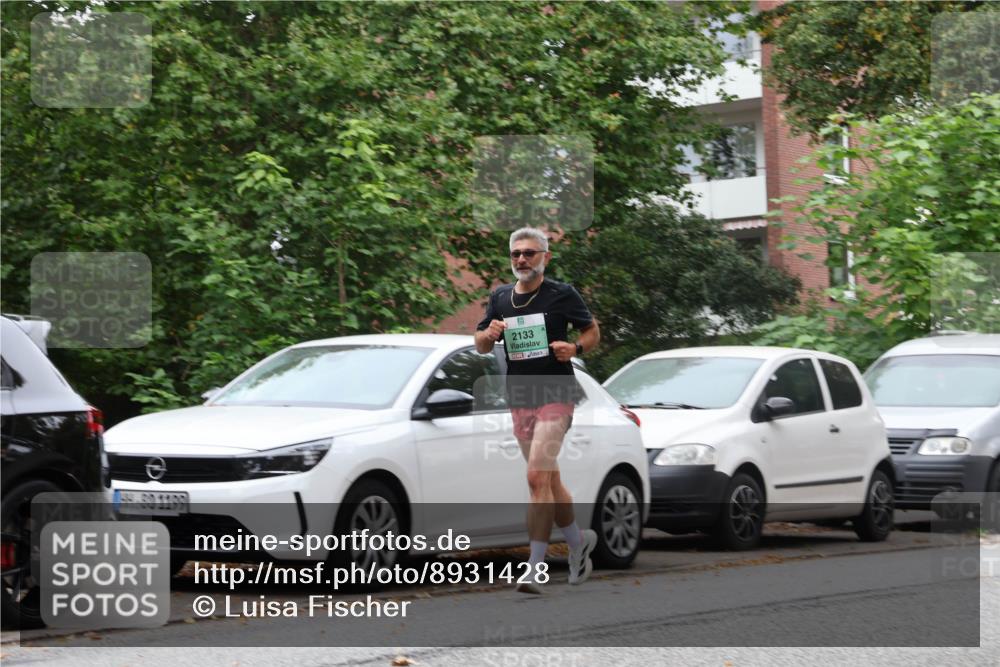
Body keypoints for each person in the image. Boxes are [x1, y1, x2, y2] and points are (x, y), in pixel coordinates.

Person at [474, 226, 601, 594]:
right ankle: (578, 543)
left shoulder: (561, 294)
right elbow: (480, 344)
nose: (521, 259)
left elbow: (592, 331)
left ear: (545, 257)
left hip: (556, 391)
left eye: (529, 253)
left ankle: (534, 568)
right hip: (520, 395)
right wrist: (488, 334)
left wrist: (575, 349)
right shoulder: (500, 298)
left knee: (535, 477)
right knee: (549, 480)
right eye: (516, 253)